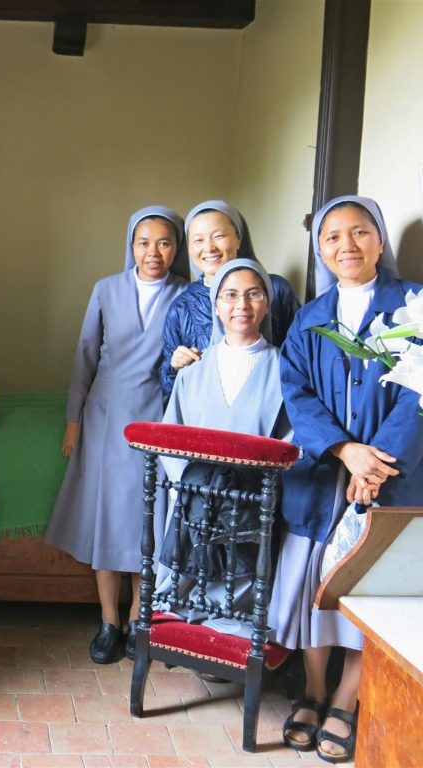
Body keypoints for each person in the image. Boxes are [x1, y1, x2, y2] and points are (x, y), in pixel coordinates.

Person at [273, 195, 423, 764]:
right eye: (333, 237)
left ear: (380, 240)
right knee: (314, 585)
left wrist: (376, 463)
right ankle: (314, 689)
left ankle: (347, 697)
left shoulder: (416, 306)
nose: (347, 245)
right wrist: (344, 450)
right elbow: (297, 391)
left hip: (388, 479)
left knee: (371, 589)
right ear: (320, 250)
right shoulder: (309, 318)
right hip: (321, 475)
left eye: (360, 232)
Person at [44, 206, 189, 664]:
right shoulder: (106, 290)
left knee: (144, 522)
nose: (153, 252)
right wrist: (74, 421)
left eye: (164, 242)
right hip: (105, 416)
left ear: (176, 249)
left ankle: (139, 618)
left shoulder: (188, 295)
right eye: (144, 242)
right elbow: (85, 356)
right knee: (107, 521)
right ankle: (109, 622)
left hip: (159, 419)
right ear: (131, 245)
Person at [156, 258, 291, 638]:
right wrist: (202, 487)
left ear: (267, 303)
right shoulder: (194, 369)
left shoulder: (284, 371)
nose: (241, 305)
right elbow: (171, 436)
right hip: (195, 501)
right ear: (216, 305)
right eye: (230, 295)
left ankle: (232, 626)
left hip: (252, 506)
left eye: (253, 294)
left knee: (242, 575)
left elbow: (289, 439)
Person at [159, 200, 300, 404]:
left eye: (219, 236)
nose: (209, 248)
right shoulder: (182, 307)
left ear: (238, 239)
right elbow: (169, 388)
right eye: (198, 240)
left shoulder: (276, 290)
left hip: (268, 412)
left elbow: (302, 359)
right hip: (205, 417)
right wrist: (175, 366)